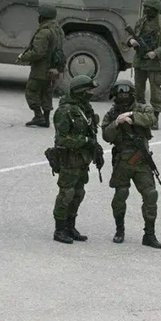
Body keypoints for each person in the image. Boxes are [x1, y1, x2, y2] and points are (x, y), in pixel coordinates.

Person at [101, 80, 161, 248]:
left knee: (150, 195)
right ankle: (119, 230)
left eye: (126, 92)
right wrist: (117, 122)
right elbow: (106, 135)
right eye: (120, 93)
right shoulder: (111, 114)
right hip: (122, 161)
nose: (123, 95)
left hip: (141, 160)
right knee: (120, 195)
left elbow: (151, 119)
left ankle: (149, 235)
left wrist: (132, 117)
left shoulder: (142, 108)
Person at [51, 75, 104, 244]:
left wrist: (96, 150)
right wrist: (86, 142)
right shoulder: (65, 111)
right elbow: (62, 139)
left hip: (82, 160)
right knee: (66, 194)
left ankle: (70, 226)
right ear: (80, 92)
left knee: (78, 193)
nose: (91, 93)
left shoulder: (85, 108)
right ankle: (59, 229)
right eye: (88, 90)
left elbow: (91, 131)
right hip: (69, 160)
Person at [127, 0, 161, 130]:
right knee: (138, 92)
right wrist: (131, 41)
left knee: (155, 94)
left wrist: (156, 53)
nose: (147, 11)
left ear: (156, 9)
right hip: (140, 62)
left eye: (149, 9)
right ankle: (140, 117)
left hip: (155, 64)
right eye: (146, 8)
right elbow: (133, 35)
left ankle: (154, 119)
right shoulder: (141, 22)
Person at [17, 5, 65, 128]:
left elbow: (38, 52)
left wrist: (23, 57)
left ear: (43, 17)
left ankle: (38, 116)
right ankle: (46, 119)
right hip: (54, 69)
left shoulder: (44, 32)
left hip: (41, 69)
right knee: (47, 93)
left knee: (31, 92)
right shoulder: (59, 30)